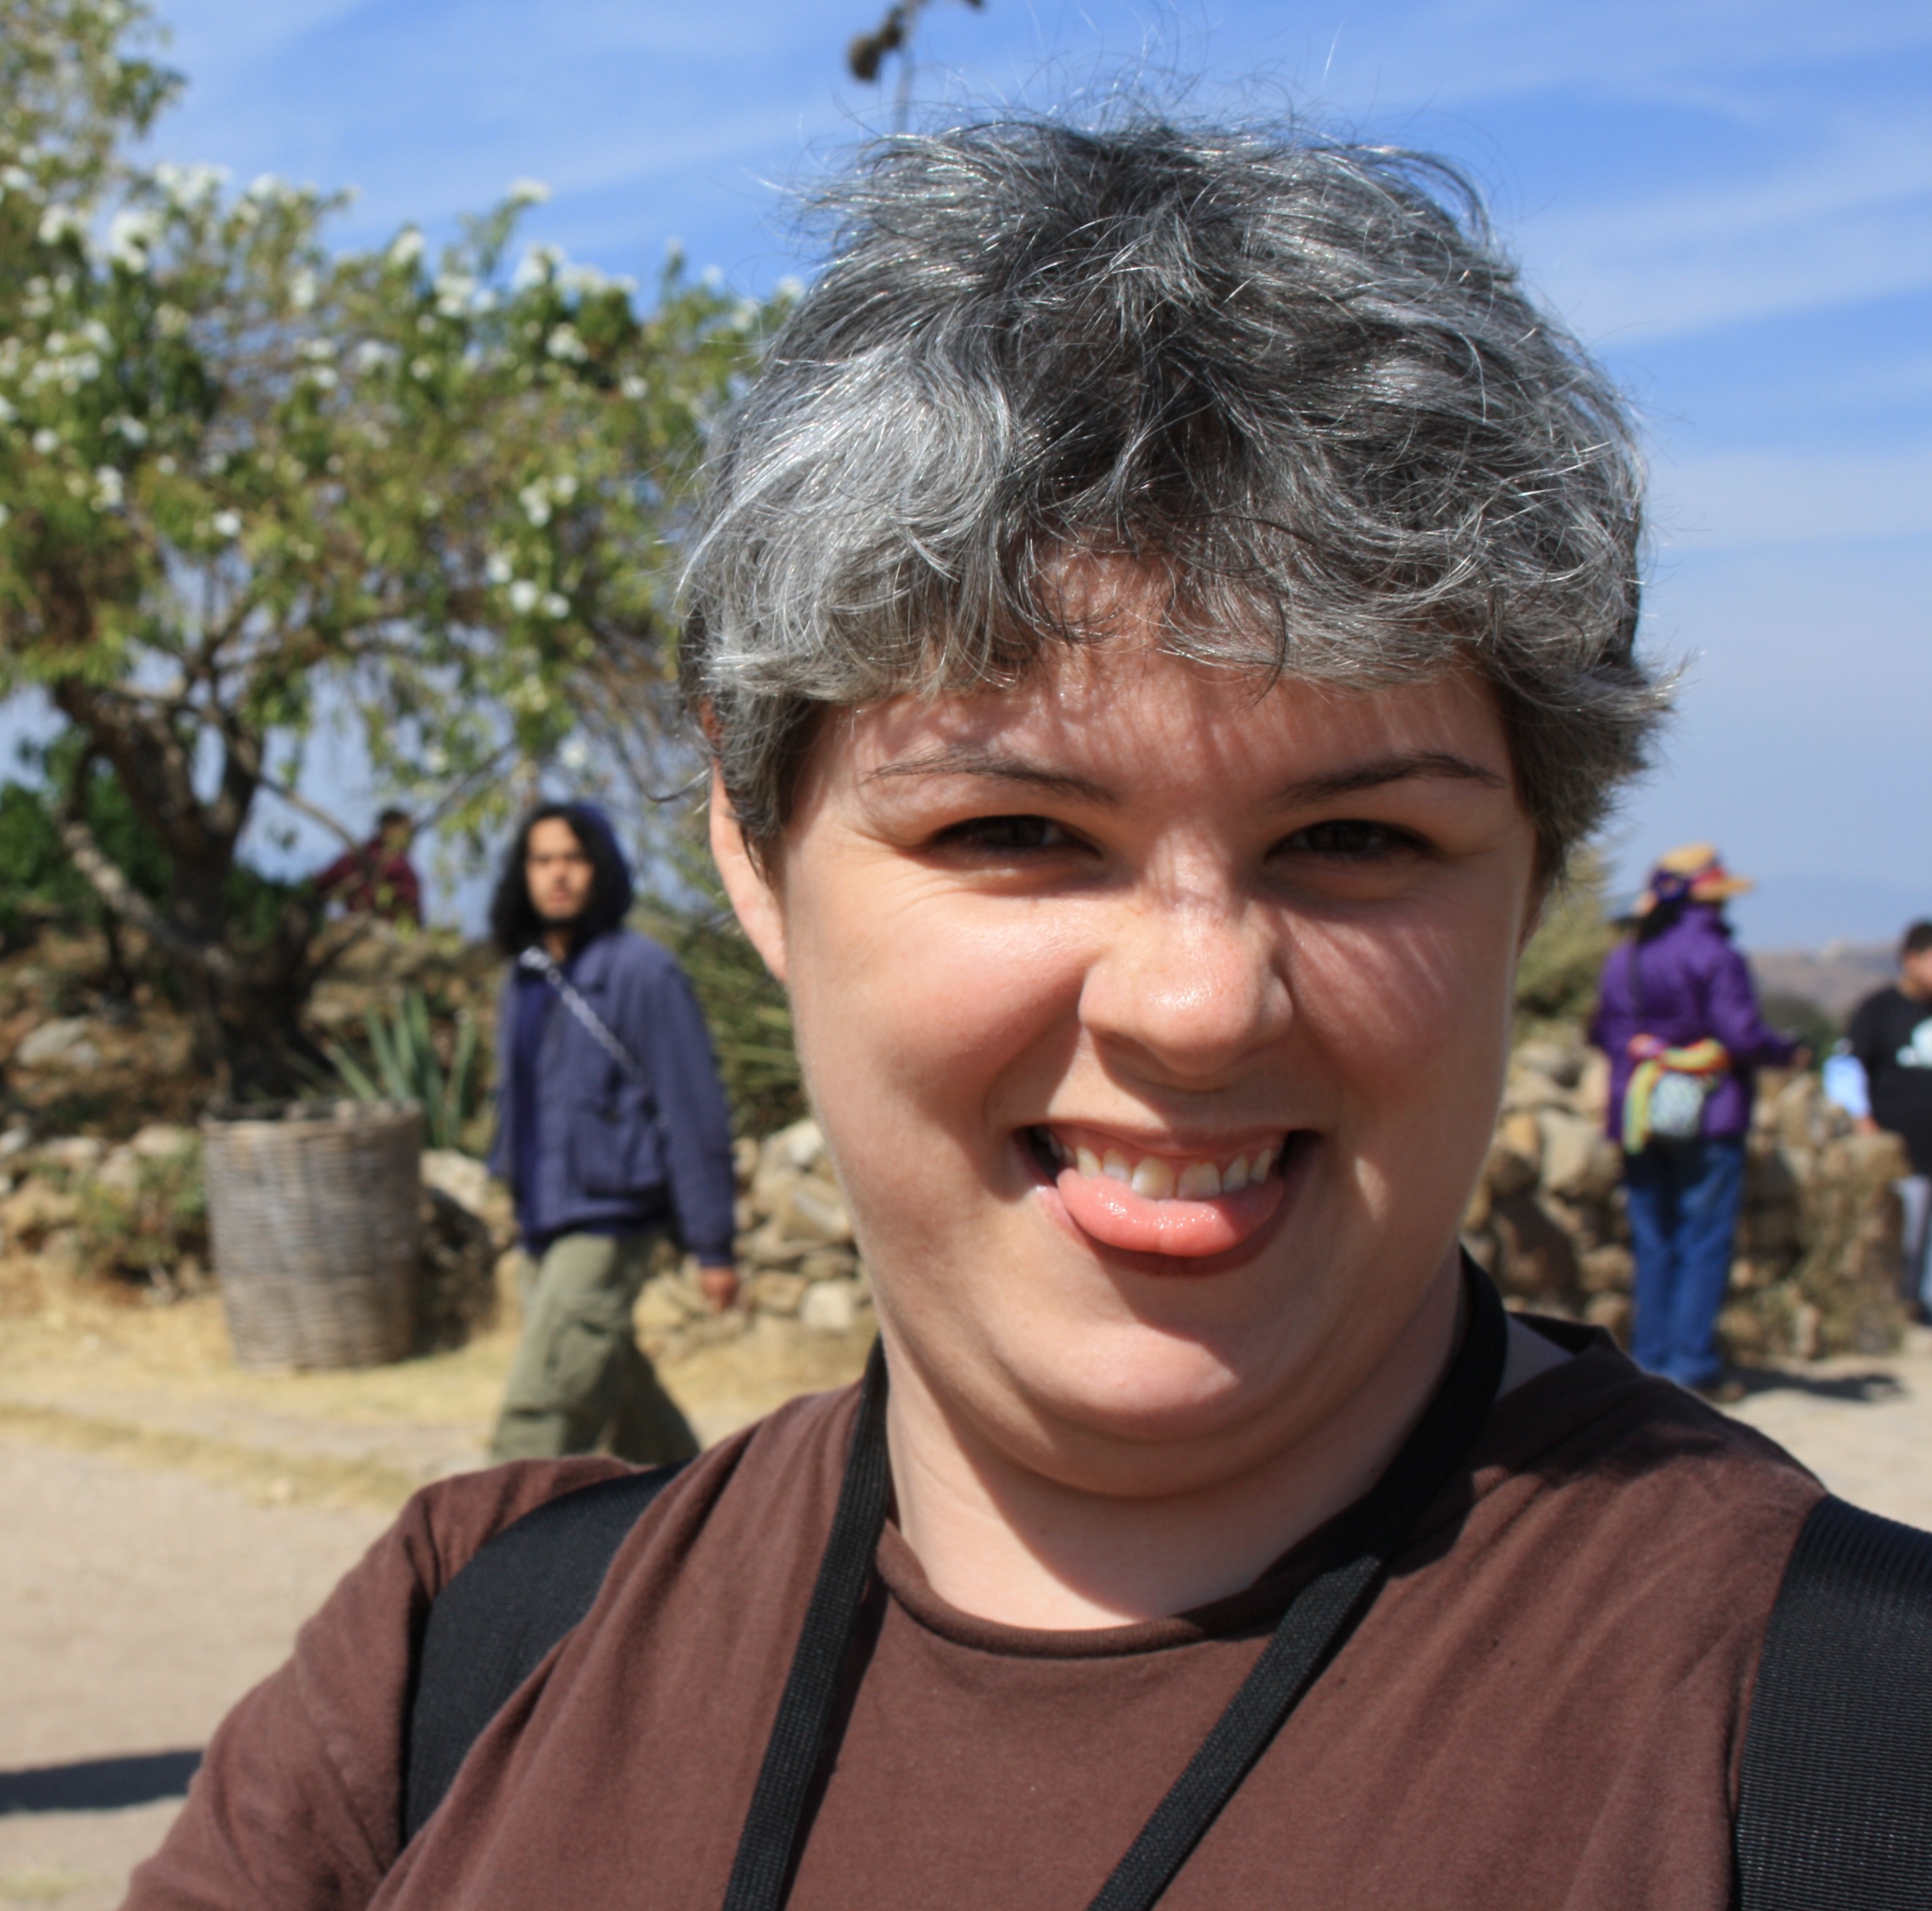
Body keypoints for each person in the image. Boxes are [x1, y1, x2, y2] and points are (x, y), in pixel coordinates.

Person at [125, 115, 1885, 1910]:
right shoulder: (462, 1666)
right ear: (753, 842)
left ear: (1533, 874)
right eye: (1017, 830)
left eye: (1352, 837)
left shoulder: (1840, 1765)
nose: (1197, 1003)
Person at [482, 801, 738, 1465]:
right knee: (622, 1393)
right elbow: (518, 1103)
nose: (558, 875)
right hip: (546, 1220)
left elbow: (693, 1108)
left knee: (542, 1410)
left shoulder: (643, 972)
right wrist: (502, 1189)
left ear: (601, 869)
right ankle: (700, 1514)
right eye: (543, 860)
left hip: (610, 1220)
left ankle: (489, 1556)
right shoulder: (526, 977)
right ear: (524, 874)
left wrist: (712, 1243)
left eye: (574, 858)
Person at [1588, 845, 1806, 1396]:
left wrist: (1649, 1051)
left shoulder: (1627, 956)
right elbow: (1739, 1034)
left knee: (1652, 1237)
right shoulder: (1714, 953)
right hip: (1709, 1114)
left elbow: (1605, 1032)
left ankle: (1649, 1361)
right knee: (1702, 1240)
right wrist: (1786, 1052)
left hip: (1638, 1110)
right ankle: (1690, 1365)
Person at [1846, 919, 1932, 1320]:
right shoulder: (1879, 1010)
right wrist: (1863, 1120)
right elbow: (1847, 1069)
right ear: (1911, 960)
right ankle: (1897, 1309)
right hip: (1900, 1150)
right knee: (1903, 1237)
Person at [312, 808, 425, 926]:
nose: (409, 837)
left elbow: (413, 908)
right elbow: (323, 884)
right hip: (361, 925)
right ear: (388, 827)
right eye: (404, 831)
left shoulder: (405, 868)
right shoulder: (359, 857)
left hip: (391, 930)